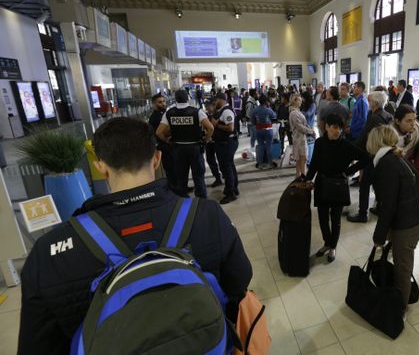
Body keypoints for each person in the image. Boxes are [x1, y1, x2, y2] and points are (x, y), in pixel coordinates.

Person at [17, 117, 252, 355]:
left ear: (101, 166)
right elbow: (239, 282)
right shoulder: (206, 214)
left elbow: (37, 344)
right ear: (157, 158)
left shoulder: (48, 252)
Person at [367, 124, 419, 310]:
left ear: (375, 142)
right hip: (414, 219)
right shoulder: (397, 157)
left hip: (406, 226)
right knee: (403, 264)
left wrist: (379, 237)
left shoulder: (386, 165)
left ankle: (399, 310)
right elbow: (415, 179)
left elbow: (388, 206)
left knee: (403, 269)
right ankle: (398, 301)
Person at [306, 113, 369, 262]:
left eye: (340, 128)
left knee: (335, 219)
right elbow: (314, 164)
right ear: (326, 127)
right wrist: (307, 179)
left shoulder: (346, 145)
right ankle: (327, 243)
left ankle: (332, 247)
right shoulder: (320, 143)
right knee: (322, 218)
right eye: (334, 127)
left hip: (338, 186)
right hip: (322, 183)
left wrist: (348, 172)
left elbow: (366, 158)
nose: (338, 131)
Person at [156, 89, 214, 198]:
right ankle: (201, 201)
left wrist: (167, 141)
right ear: (187, 98)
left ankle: (183, 202)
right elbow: (210, 127)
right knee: (198, 177)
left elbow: (159, 132)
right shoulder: (197, 111)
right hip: (195, 148)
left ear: (175, 99)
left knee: (181, 178)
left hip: (178, 149)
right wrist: (205, 140)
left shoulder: (169, 113)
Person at [347, 91, 393, 223]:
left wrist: (352, 150)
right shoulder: (388, 115)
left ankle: (362, 214)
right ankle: (380, 207)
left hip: (372, 155)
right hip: (384, 155)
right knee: (378, 184)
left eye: (371, 100)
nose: (369, 103)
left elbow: (366, 137)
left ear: (376, 103)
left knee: (365, 184)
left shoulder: (374, 117)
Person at [393, 105, 419, 200]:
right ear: (397, 121)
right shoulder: (388, 137)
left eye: (414, 119)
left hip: (410, 186)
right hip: (390, 184)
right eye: (408, 121)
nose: (413, 124)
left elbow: (418, 170)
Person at [211, 92, 239, 204]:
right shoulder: (221, 111)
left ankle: (230, 193)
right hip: (224, 143)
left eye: (216, 100)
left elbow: (230, 127)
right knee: (230, 166)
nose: (214, 103)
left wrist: (217, 125)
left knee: (226, 168)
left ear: (221, 100)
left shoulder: (226, 111)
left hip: (227, 143)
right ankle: (233, 188)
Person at [148, 93, 176, 190]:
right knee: (171, 170)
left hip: (166, 146)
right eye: (160, 102)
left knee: (174, 168)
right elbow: (164, 132)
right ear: (154, 104)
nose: (163, 104)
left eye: (164, 101)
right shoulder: (156, 117)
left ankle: (178, 187)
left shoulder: (162, 115)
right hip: (164, 147)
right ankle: (175, 190)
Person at [288, 94, 316, 177]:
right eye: (299, 100)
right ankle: (303, 177)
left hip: (301, 137)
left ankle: (299, 177)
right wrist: (310, 131)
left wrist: (310, 130)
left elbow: (304, 124)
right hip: (299, 138)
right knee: (302, 159)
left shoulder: (297, 111)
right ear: (295, 101)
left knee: (300, 160)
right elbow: (299, 126)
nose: (301, 102)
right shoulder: (293, 113)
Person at [251, 95, 277, 169]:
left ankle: (260, 163)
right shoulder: (268, 109)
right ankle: (270, 163)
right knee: (269, 147)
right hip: (268, 130)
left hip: (258, 130)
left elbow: (252, 121)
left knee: (260, 146)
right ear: (266, 101)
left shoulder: (255, 110)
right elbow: (274, 116)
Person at [204, 101, 223, 188]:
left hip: (219, 141)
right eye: (206, 107)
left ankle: (226, 175)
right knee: (210, 160)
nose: (207, 109)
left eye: (209, 107)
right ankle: (217, 178)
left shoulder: (220, 114)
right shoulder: (205, 116)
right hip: (210, 142)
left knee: (222, 160)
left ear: (213, 106)